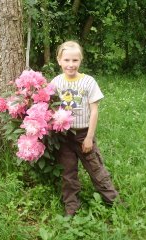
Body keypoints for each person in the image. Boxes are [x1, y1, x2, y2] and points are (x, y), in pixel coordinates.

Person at [51, 41, 124, 217]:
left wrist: (89, 137)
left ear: (80, 60)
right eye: (67, 59)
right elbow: (49, 106)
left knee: (96, 168)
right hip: (64, 136)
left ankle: (113, 201)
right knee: (68, 173)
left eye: (75, 60)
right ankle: (71, 206)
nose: (71, 64)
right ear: (59, 60)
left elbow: (94, 111)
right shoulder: (56, 82)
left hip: (83, 134)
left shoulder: (88, 82)